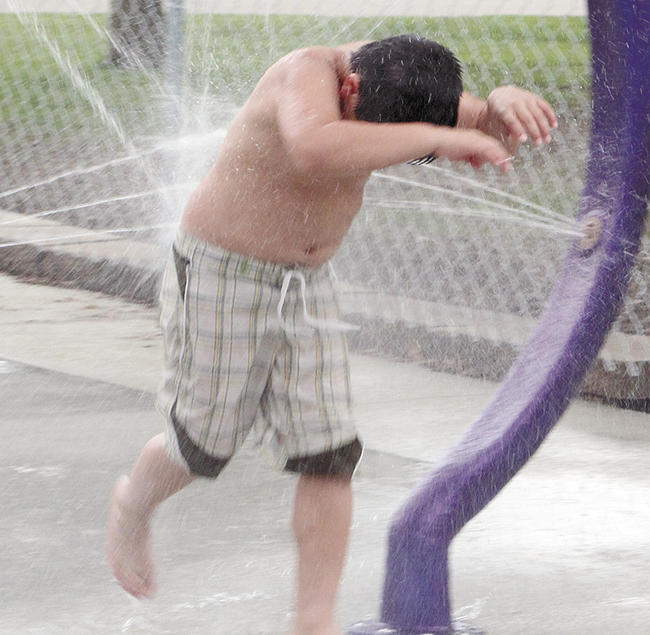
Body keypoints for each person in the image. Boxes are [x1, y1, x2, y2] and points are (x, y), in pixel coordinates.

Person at [105, 34, 557, 635]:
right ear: (350, 84)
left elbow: (484, 132)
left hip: (306, 285)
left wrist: (498, 103)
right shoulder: (305, 73)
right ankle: (132, 506)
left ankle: (313, 623)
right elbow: (315, 148)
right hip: (221, 275)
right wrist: (437, 138)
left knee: (328, 453)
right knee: (204, 444)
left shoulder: (405, 85)